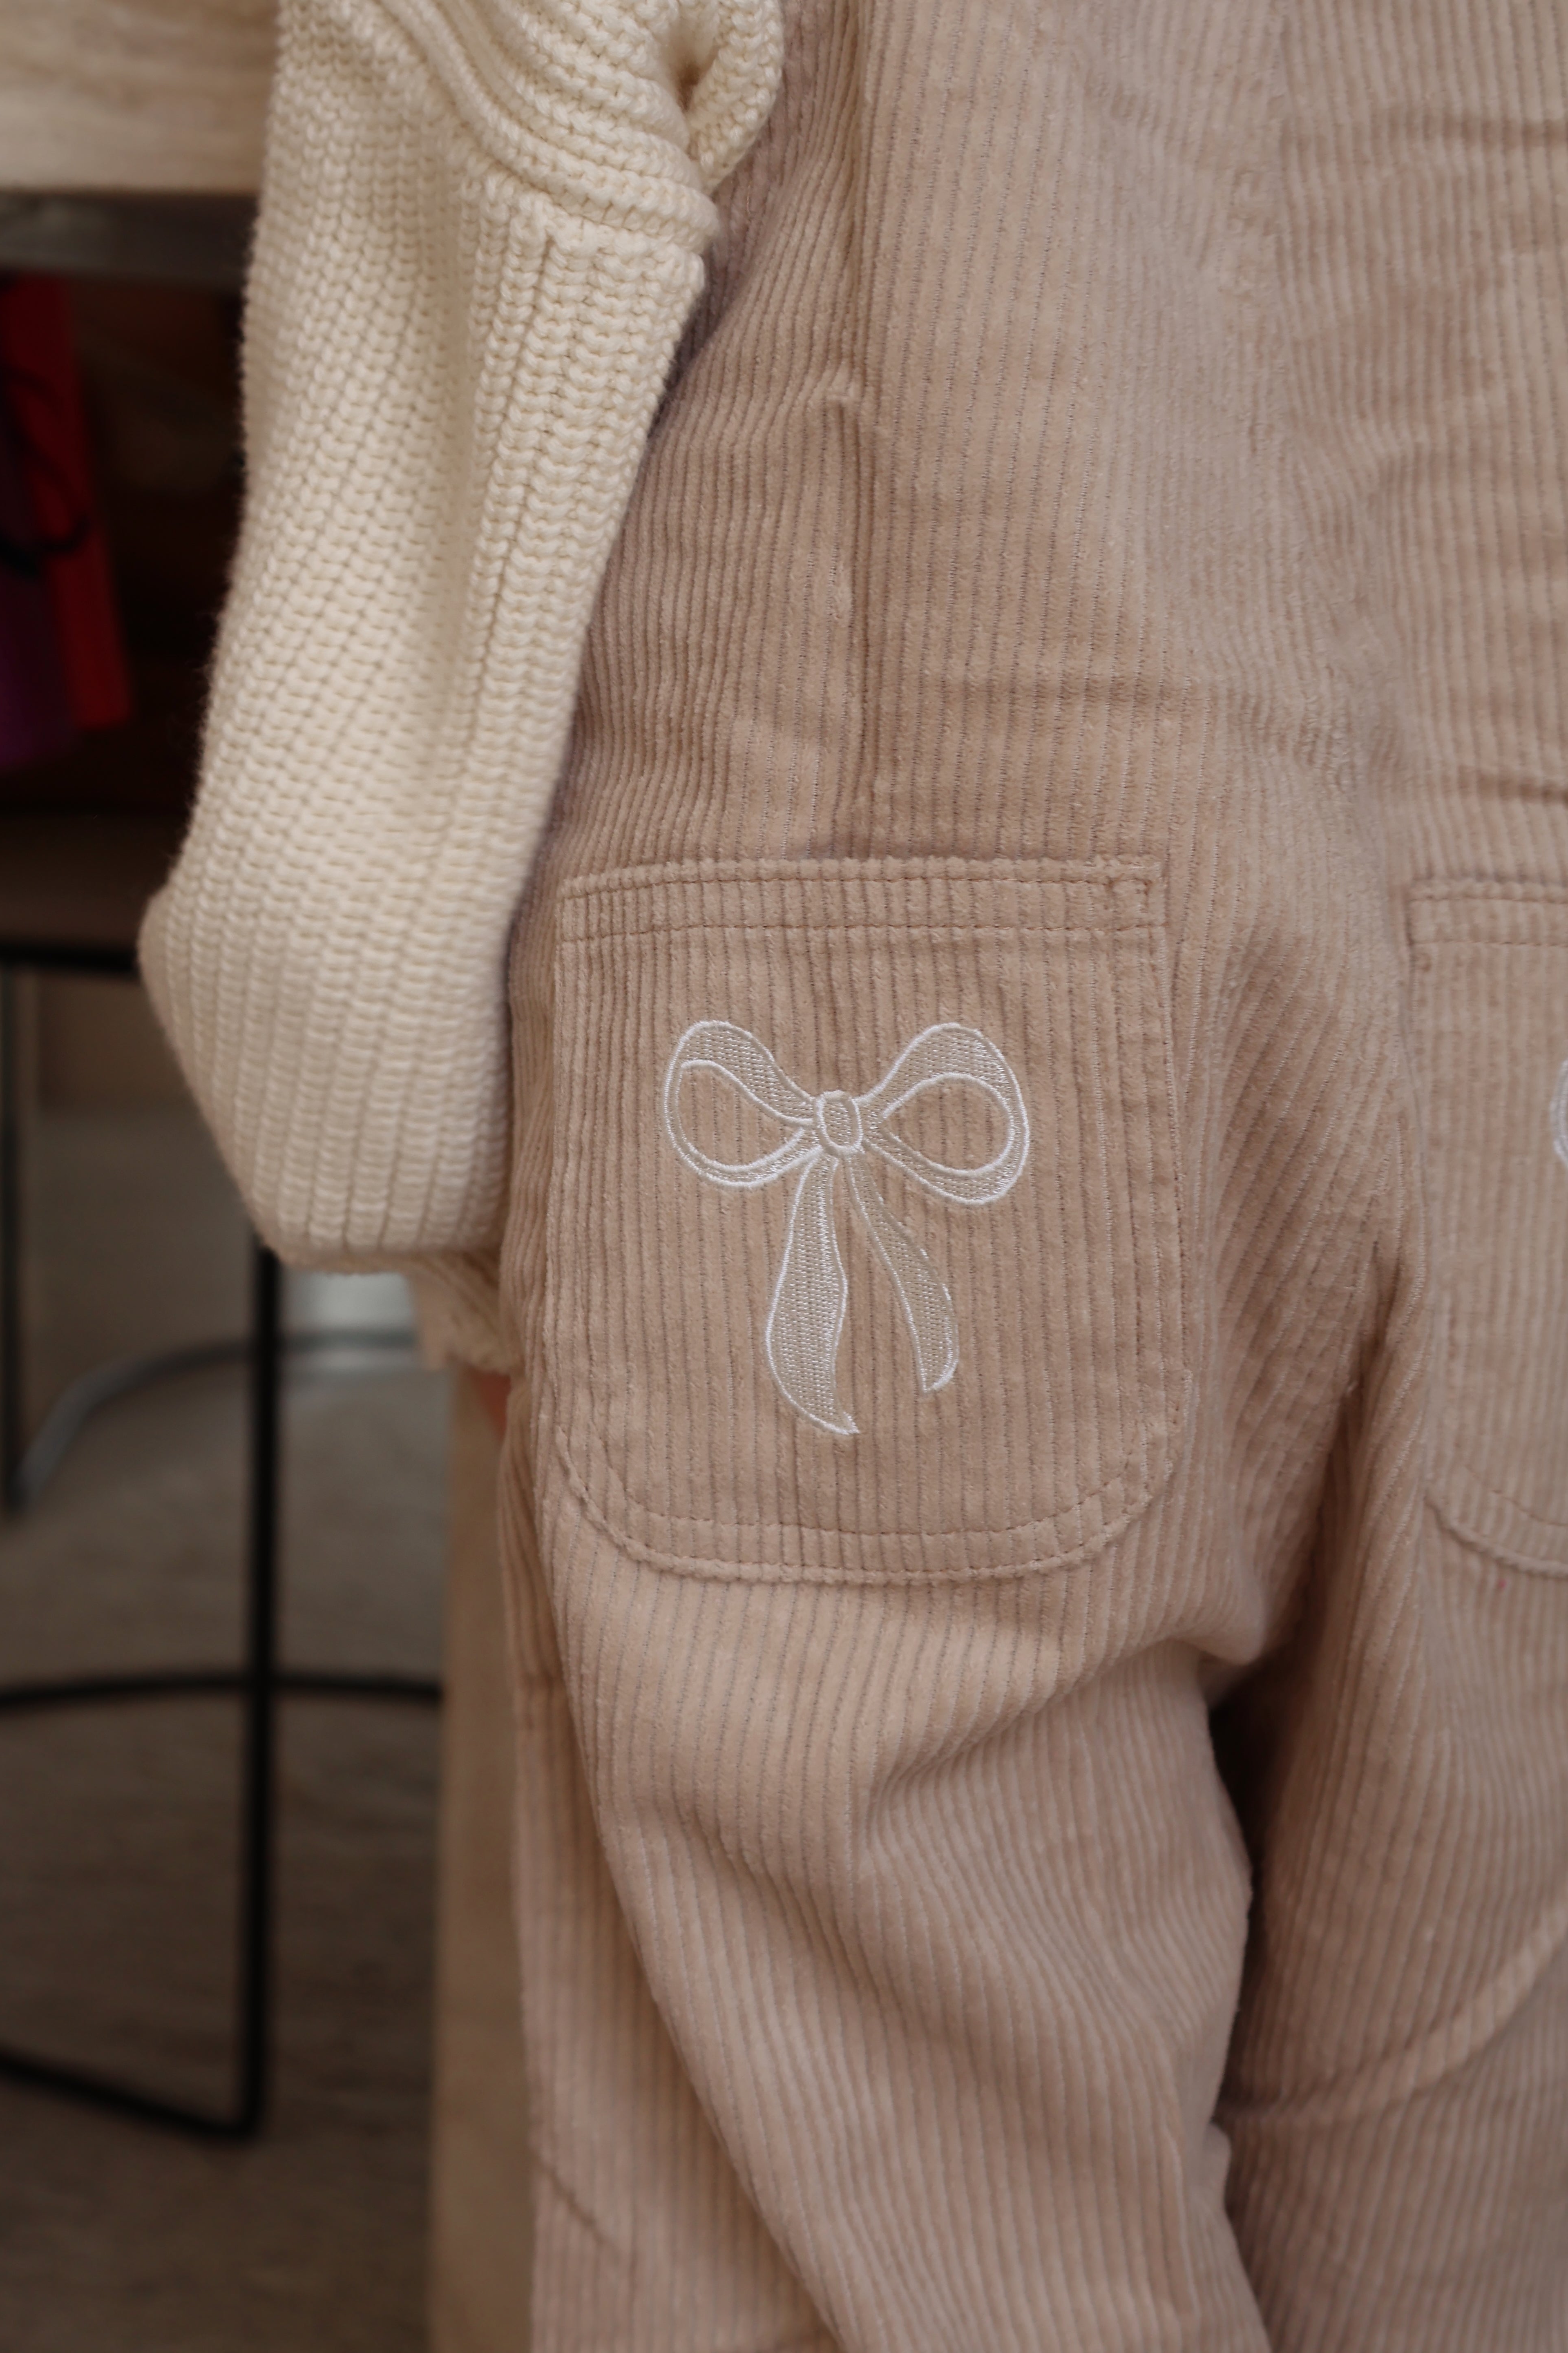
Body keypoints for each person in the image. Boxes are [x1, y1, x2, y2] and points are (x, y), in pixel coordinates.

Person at [141, 0, 1568, 2342]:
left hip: (865, 989)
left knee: (900, 2213)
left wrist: (403, 1168)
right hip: (1527, 1002)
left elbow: (478, 226)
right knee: (1465, 2171)